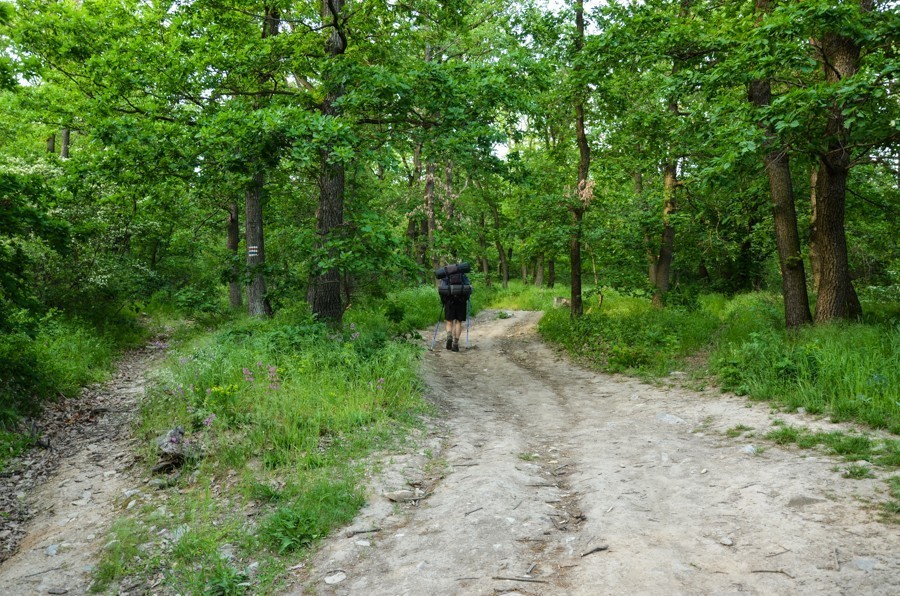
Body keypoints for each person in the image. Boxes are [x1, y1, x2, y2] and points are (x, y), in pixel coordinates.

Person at [437, 263, 472, 352]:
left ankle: (449, 336)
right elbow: (469, 289)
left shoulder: (446, 276)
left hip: (449, 301)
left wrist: (443, 301)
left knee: (449, 321)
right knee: (458, 322)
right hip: (461, 301)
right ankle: (455, 343)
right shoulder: (462, 275)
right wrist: (467, 298)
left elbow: (442, 290)